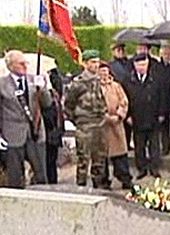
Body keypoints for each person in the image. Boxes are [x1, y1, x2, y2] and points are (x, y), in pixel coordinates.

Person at [0, 50, 52, 188]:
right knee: (15, 177)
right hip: (13, 134)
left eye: (26, 63)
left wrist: (43, 89)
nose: (25, 66)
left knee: (41, 174)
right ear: (10, 66)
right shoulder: (2, 84)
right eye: (21, 63)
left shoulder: (33, 79)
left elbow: (47, 104)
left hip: (35, 133)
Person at [64, 50, 109, 188]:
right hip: (85, 125)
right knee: (83, 159)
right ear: (85, 64)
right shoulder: (78, 83)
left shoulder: (99, 80)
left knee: (99, 159)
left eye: (97, 62)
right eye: (92, 62)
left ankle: (99, 187)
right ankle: (81, 187)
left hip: (100, 124)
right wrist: (78, 120)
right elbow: (68, 105)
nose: (96, 65)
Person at [124, 53, 166, 179]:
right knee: (139, 146)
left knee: (154, 146)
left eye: (144, 64)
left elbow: (162, 96)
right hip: (137, 118)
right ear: (134, 65)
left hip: (153, 117)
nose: (142, 67)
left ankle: (155, 168)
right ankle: (141, 169)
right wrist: (128, 116)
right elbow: (125, 99)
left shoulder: (156, 78)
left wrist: (161, 113)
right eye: (139, 65)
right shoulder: (128, 80)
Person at [98, 62, 133, 189]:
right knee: (102, 157)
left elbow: (124, 101)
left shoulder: (116, 86)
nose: (104, 73)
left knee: (120, 155)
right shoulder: (94, 87)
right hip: (101, 126)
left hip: (116, 126)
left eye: (106, 70)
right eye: (101, 71)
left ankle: (125, 178)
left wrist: (119, 115)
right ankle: (103, 181)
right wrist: (105, 117)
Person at [155, 43, 170, 155]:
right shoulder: (157, 67)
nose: (167, 55)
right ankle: (165, 147)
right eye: (164, 53)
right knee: (164, 127)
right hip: (162, 100)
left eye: (169, 53)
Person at [42, 68, 64, 184]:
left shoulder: (53, 95)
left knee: (50, 161)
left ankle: (51, 182)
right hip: (48, 130)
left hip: (52, 131)